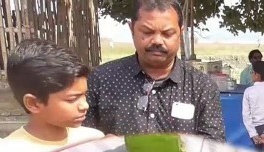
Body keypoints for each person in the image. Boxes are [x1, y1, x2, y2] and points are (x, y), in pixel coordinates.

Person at [84, 0, 225, 141]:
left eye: (167, 34)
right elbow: (81, 140)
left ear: (180, 34)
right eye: (147, 32)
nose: (157, 41)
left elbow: (213, 148)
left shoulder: (202, 86)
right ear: (131, 29)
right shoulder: (101, 79)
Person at [0, 39, 104, 152]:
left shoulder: (92, 141)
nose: (85, 105)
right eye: (72, 99)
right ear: (33, 103)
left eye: (85, 95)